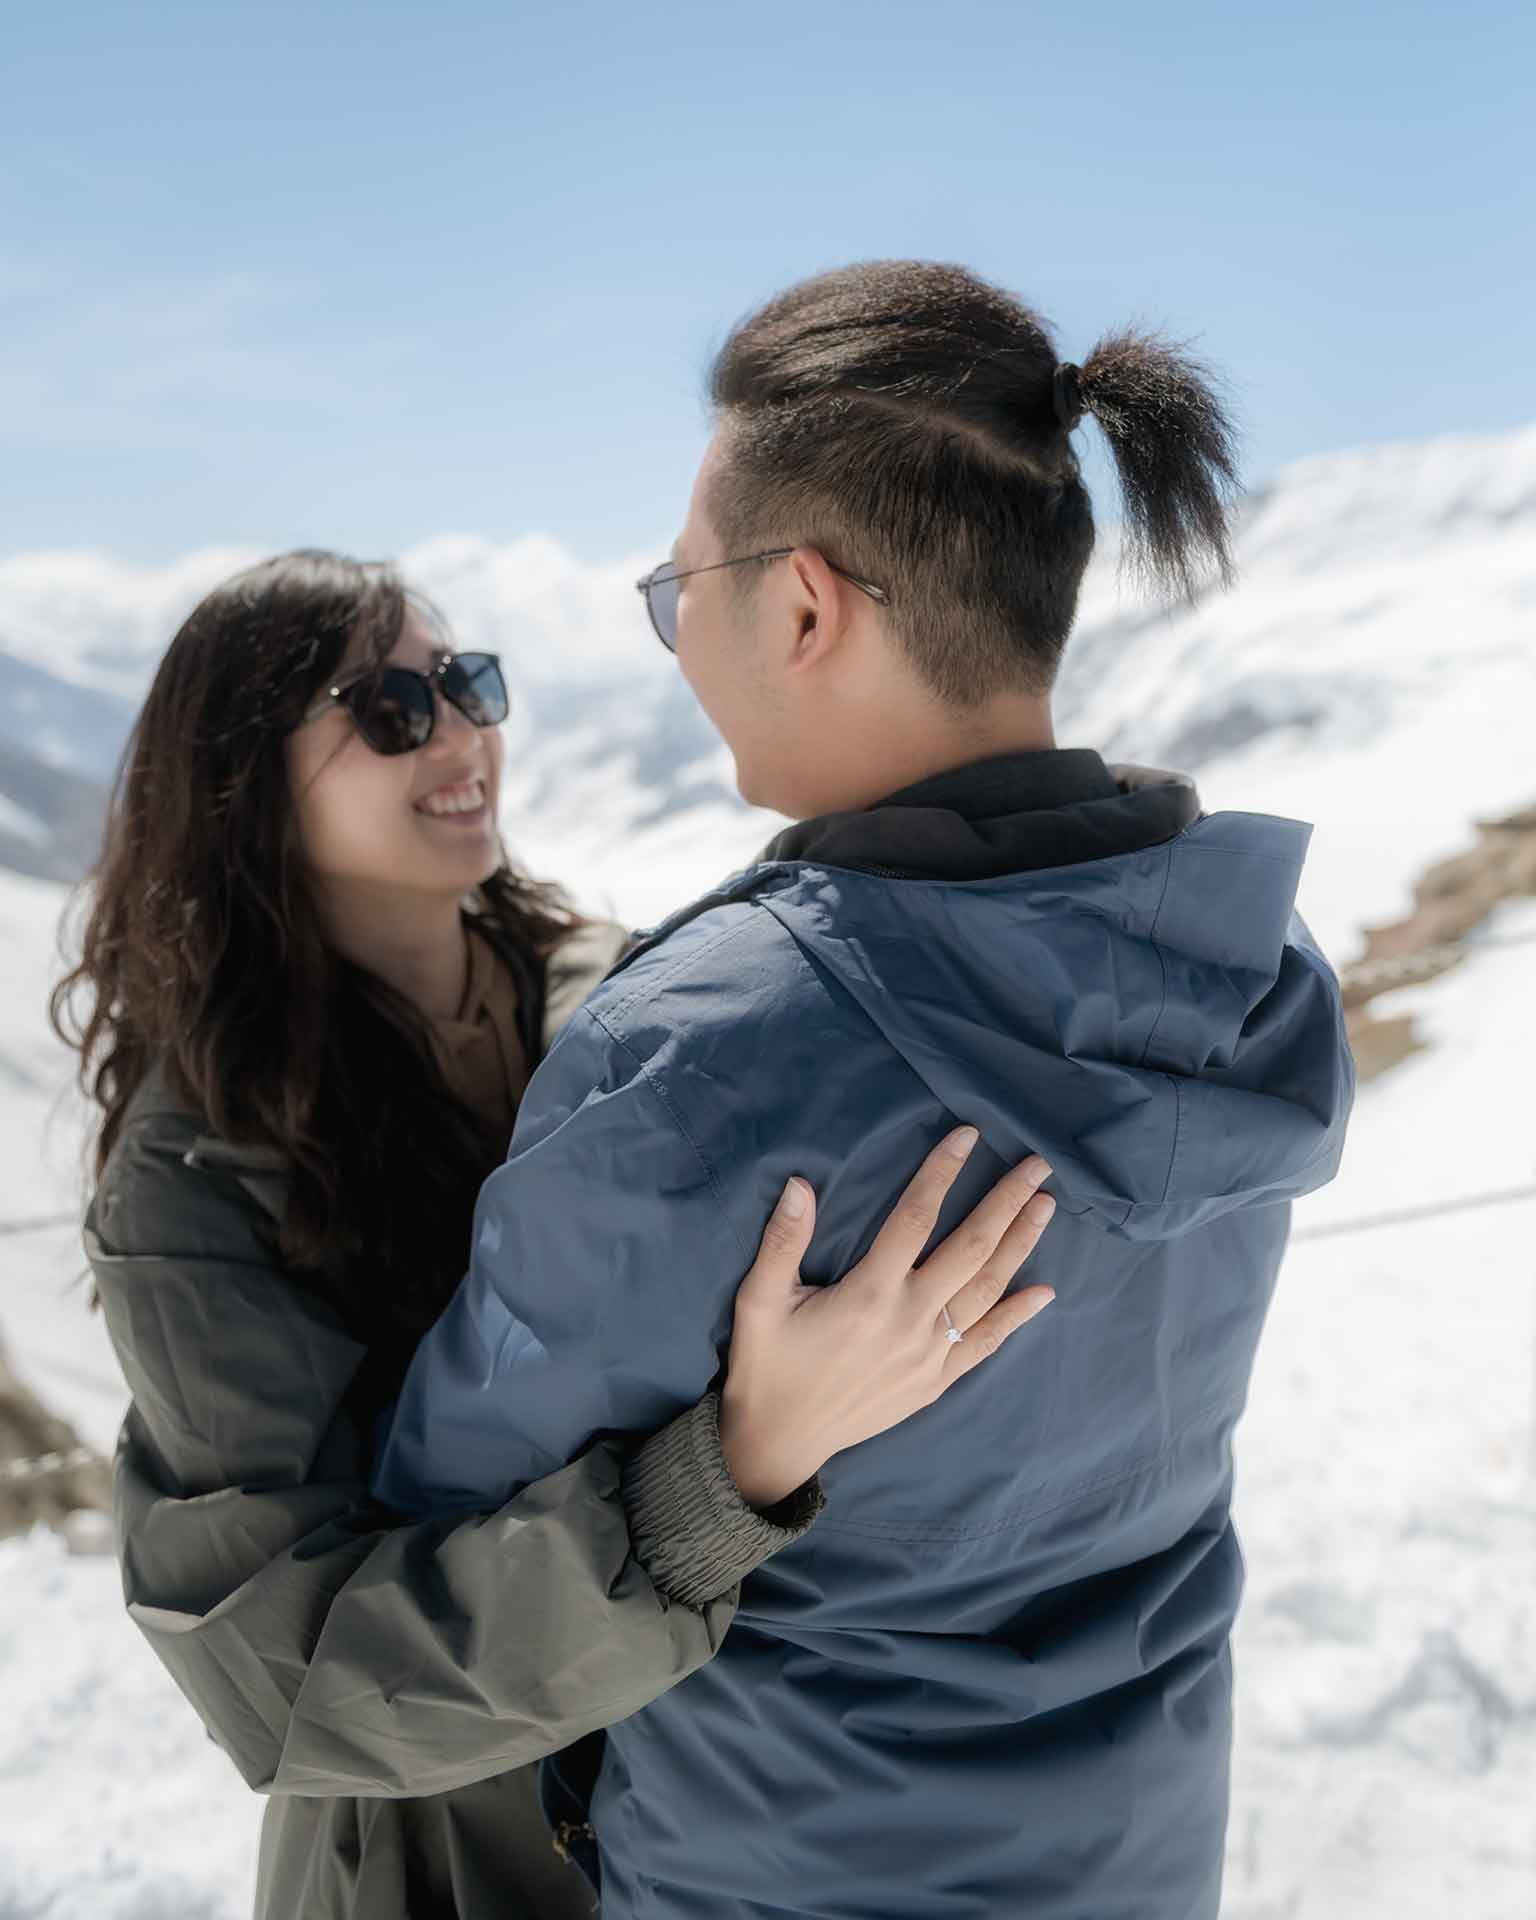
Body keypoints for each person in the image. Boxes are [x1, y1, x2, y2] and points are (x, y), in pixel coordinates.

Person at [372, 261, 1358, 1920]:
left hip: (778, 1875)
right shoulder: (1245, 968)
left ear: (805, 606)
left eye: (678, 583)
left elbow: (456, 1519)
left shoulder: (698, 1054)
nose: (677, 626)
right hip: (1136, 1855)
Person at [50, 549, 1059, 1919]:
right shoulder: (199, 1172)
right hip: (451, 1870)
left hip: (714, 1823)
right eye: (392, 709)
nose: (464, 733)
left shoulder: (629, 1004)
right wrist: (730, 1477)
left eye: (467, 684)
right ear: (240, 786)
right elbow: (290, 1676)